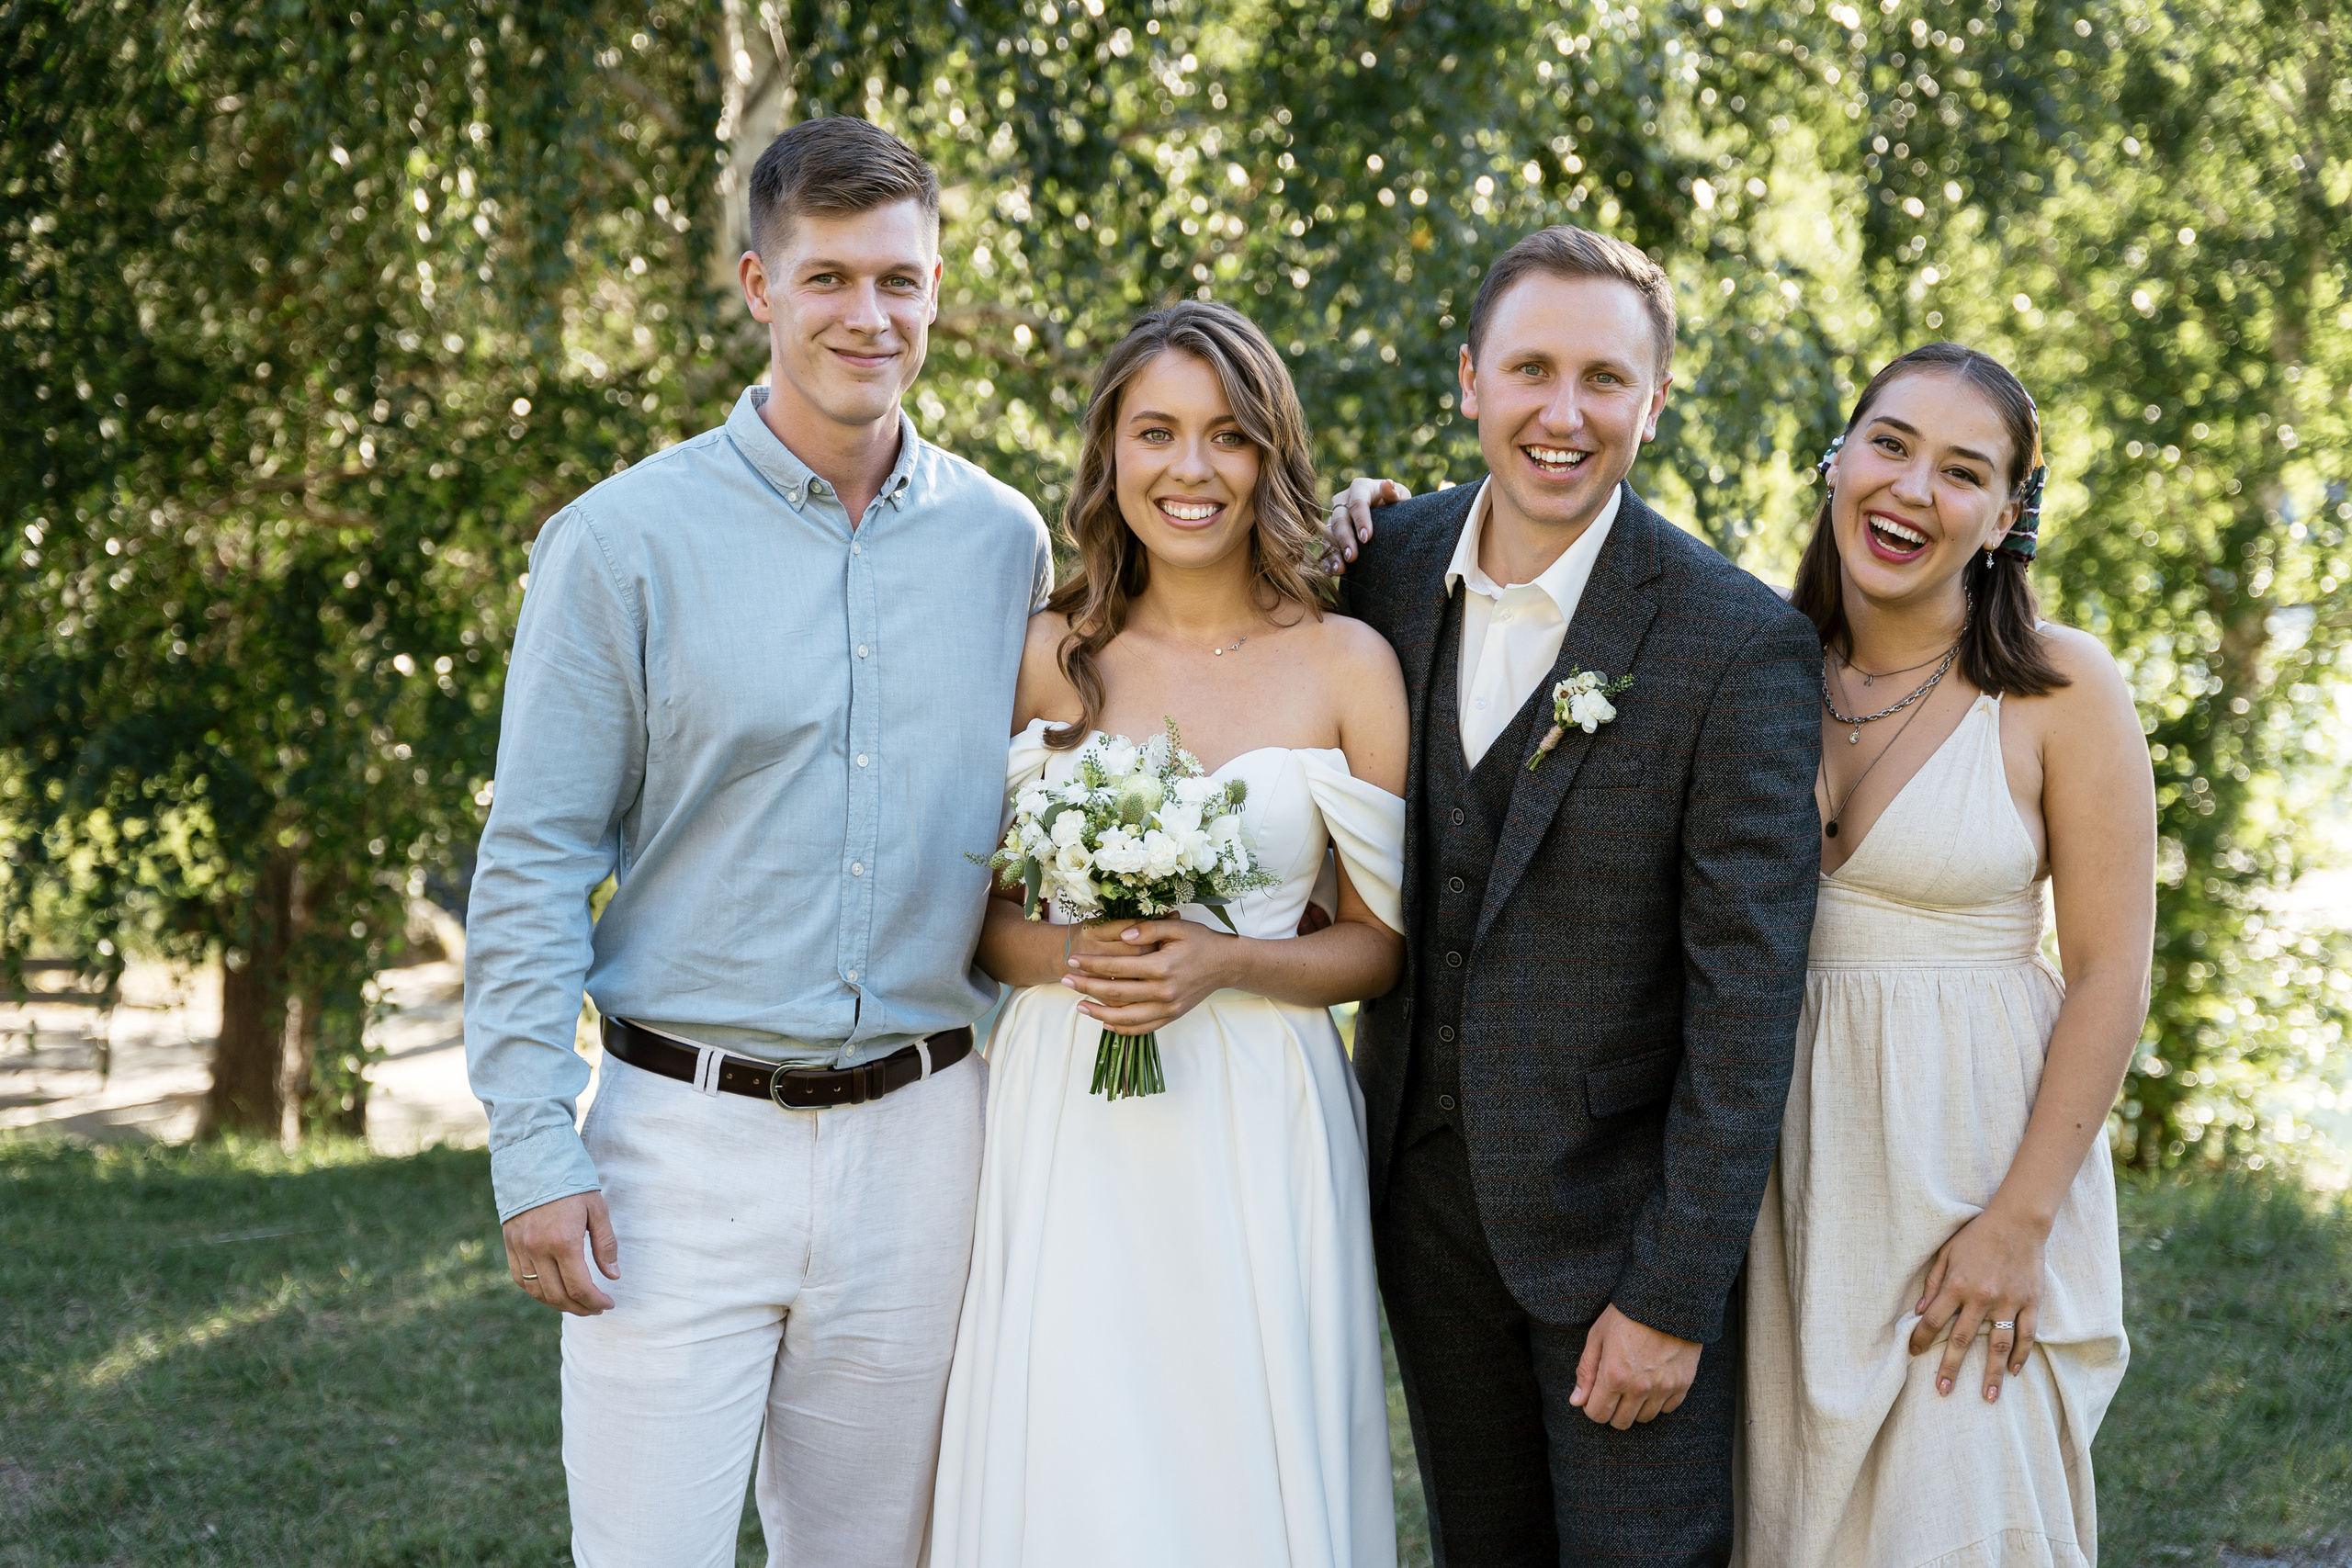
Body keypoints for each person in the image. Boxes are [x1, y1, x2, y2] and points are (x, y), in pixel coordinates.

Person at [462, 118, 1052, 1567]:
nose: (872, 316)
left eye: (901, 281)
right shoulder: (620, 544)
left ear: (935, 289)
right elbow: (534, 859)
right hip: (679, 1149)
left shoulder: (1005, 543)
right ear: (757, 285)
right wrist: (535, 1148)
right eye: (831, 278)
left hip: (927, 1146)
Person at [1322, 225, 1822, 1565]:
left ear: (1653, 402)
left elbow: (1748, 1004)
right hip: (1424, 1223)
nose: (1563, 412)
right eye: (1530, 368)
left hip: (1619, 1242)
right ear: (1471, 379)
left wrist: (1671, 1294)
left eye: (1604, 378)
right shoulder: (1378, 567)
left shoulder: (1738, 644)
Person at [926, 299, 1411, 1568]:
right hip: (1067, 1099)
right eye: (1156, 433)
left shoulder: (1349, 663)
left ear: (1271, 457)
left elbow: (1379, 945)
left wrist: (1230, 963)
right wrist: (1087, 957)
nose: (1191, 470)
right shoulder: (1042, 655)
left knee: (1239, 1446)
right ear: (1111, 455)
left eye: (1228, 436)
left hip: (1262, 1111)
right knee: (1077, 1440)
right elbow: (981, 922)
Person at [1736, 344, 2148, 1567]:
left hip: (1975, 1177)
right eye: (1892, 444)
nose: (1914, 489)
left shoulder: (2062, 687)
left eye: (1963, 471)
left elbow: (2113, 973)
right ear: (1839, 459)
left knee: (1961, 1521)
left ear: (2005, 517)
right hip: (1789, 1193)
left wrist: (2020, 1221)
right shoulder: (1758, 669)